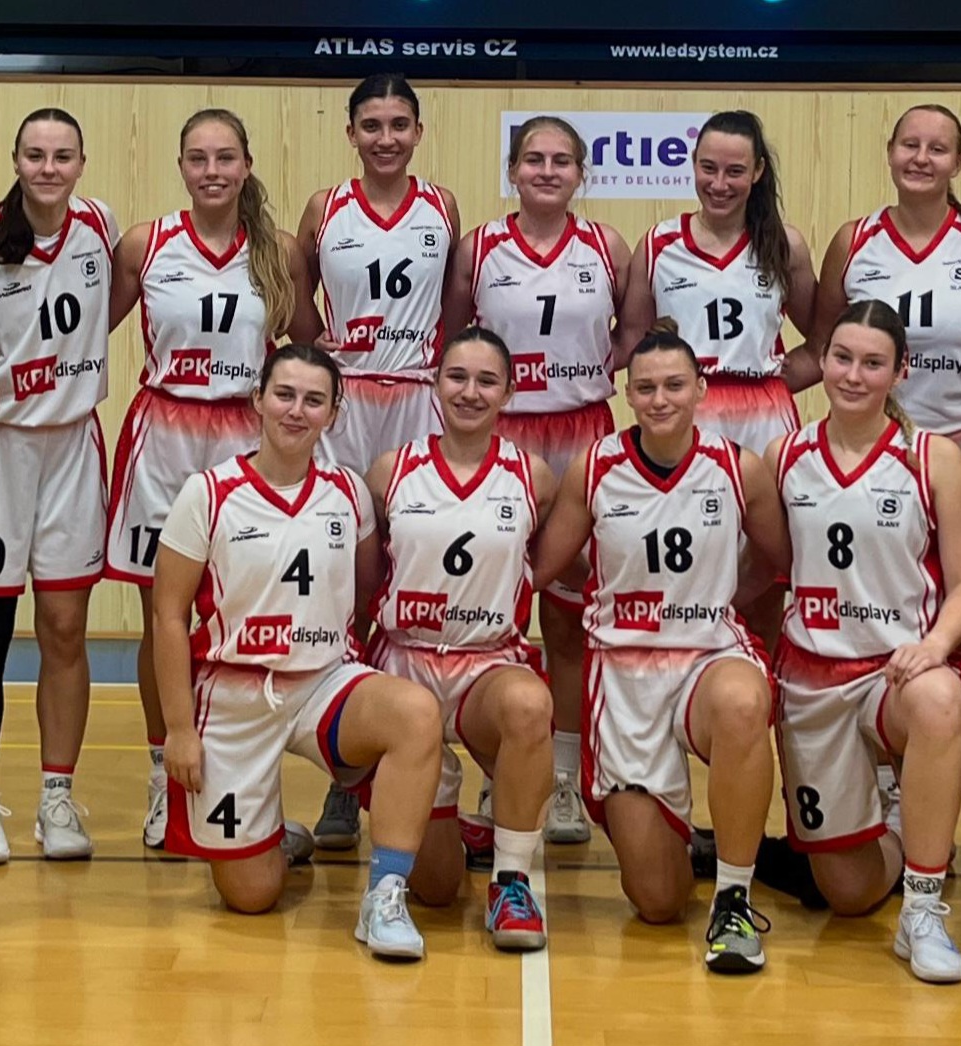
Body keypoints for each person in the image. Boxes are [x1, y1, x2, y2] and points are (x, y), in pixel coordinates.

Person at [151, 345, 444, 961]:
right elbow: (169, 616)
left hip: (321, 683)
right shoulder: (209, 493)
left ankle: (384, 896)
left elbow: (365, 590)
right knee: (252, 896)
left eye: (314, 400)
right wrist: (178, 729)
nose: (296, 410)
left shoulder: (348, 493)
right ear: (257, 398)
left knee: (416, 713)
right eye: (284, 394)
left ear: (333, 413)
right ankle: (269, 834)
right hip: (235, 693)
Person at [806, 104, 961, 871]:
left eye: (939, 148)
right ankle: (886, 790)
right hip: (880, 450)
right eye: (910, 144)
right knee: (876, 616)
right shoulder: (855, 241)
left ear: (959, 162)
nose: (922, 158)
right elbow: (824, 342)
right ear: (890, 151)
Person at [533, 322, 787, 974]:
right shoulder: (596, 467)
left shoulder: (739, 468)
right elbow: (543, 567)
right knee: (657, 901)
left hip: (707, 654)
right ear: (628, 394)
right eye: (645, 388)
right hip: (623, 673)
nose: (660, 399)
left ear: (700, 389)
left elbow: (778, 560)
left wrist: (721, 596)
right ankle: (693, 850)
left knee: (742, 703)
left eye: (674, 385)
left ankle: (734, 897)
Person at [106, 108, 320, 852]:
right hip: (163, 438)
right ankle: (164, 776)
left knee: (248, 615)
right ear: (181, 167)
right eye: (198, 158)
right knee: (161, 616)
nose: (212, 171)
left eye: (226, 157)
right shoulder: (146, 244)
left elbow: (307, 348)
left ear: (247, 164)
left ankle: (254, 783)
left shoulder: (279, 251)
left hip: (244, 438)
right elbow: (80, 331)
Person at [767, 300, 961, 983]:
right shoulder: (784, 455)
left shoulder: (933, 458)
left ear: (900, 371)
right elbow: (769, 567)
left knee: (939, 698)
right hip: (812, 677)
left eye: (872, 363)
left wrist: (936, 644)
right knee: (850, 894)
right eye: (842, 358)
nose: (853, 375)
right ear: (823, 361)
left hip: (895, 670)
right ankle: (901, 821)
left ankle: (923, 908)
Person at [444, 115, 631, 848]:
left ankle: (562, 775)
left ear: (581, 173)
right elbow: (456, 340)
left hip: (582, 430)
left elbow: (631, 335)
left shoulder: (608, 247)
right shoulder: (480, 247)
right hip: (506, 433)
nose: (547, 171)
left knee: (568, 612)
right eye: (533, 159)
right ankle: (499, 767)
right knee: (492, 603)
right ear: (513, 170)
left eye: (561, 161)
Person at [0, 109, 119, 863]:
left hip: (74, 447)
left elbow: (108, 313)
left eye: (63, 156)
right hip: (0, 450)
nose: (50, 168)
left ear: (81, 163)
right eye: (36, 155)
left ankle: (57, 798)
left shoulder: (100, 227)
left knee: (66, 629)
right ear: (15, 161)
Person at [295, 73, 460, 850]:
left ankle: (433, 761)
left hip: (418, 397)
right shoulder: (324, 209)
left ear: (418, 132)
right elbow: (296, 300)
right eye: (372, 125)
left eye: (399, 124)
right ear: (352, 133)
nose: (386, 138)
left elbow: (455, 308)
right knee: (346, 579)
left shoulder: (442, 207)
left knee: (419, 573)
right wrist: (324, 358)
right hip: (349, 403)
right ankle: (346, 772)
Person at [364, 326, 557, 951]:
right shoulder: (391, 471)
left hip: (486, 665)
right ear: (435, 382)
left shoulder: (532, 476)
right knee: (438, 889)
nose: (470, 392)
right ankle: (443, 802)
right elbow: (367, 578)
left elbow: (548, 562)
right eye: (457, 377)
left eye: (486, 381)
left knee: (530, 704)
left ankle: (511, 880)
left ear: (509, 392)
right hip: (405, 663)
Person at [618, 108, 816, 649]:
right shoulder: (660, 244)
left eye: (734, 171)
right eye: (708, 168)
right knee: (684, 558)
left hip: (763, 419)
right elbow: (636, 342)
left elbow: (823, 343)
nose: (720, 183)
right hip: (686, 415)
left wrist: (770, 383)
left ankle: (760, 690)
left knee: (765, 572)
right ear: (693, 165)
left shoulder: (784, 245)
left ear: (757, 172)